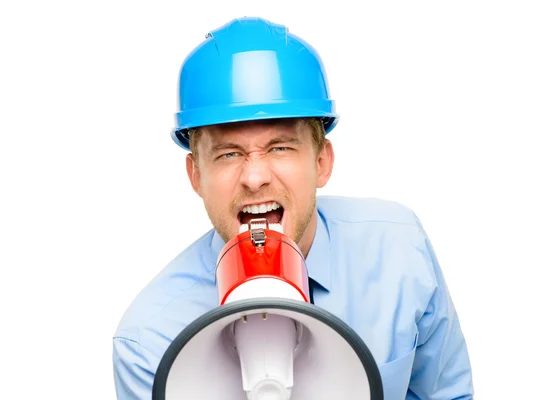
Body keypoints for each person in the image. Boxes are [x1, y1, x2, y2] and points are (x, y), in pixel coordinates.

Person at [112, 16, 474, 399]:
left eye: (280, 148)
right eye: (228, 154)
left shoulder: (401, 254)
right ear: (196, 175)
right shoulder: (148, 344)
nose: (255, 178)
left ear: (321, 162)